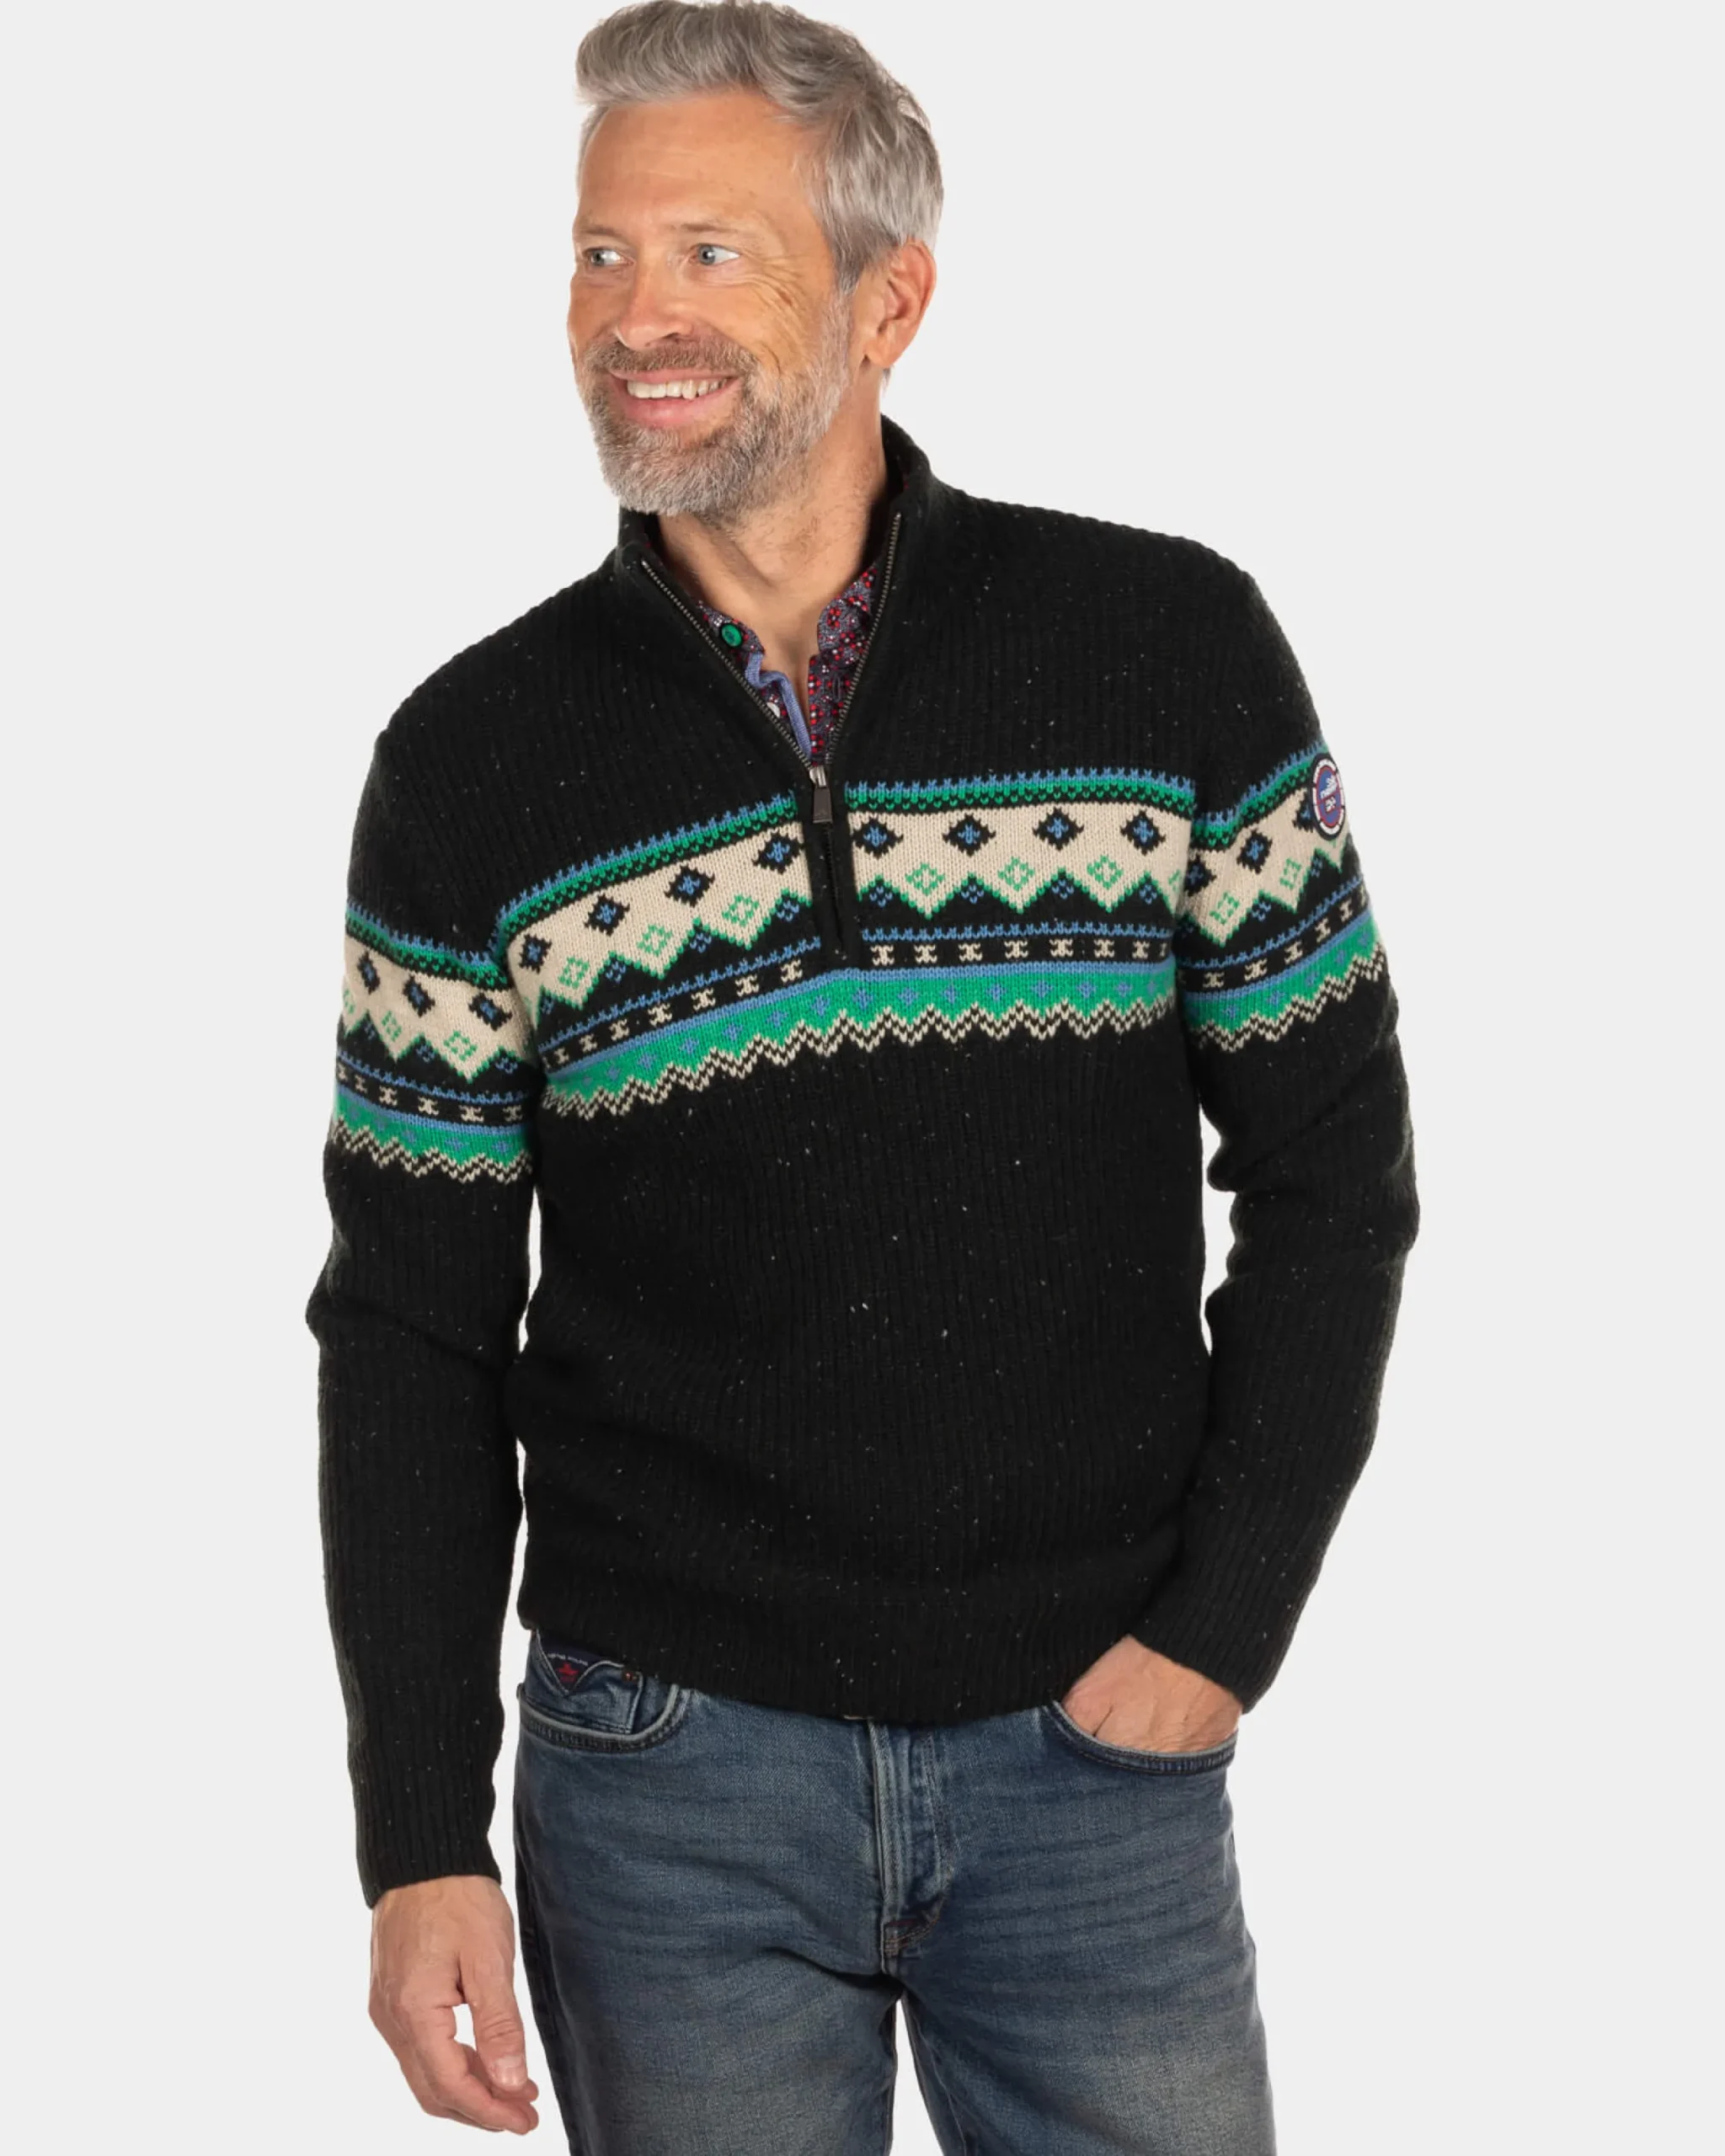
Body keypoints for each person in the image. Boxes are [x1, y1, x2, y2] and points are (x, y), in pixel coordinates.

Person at [306, 3, 1419, 2148]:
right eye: (601, 254)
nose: (635, 315)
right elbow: (410, 1329)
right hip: (664, 1772)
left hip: (1093, 1754)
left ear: (887, 301)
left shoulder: (1166, 648)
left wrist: (1220, 1627)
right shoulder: (469, 765)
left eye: (710, 255)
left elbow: (1332, 1169)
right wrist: (419, 1831)